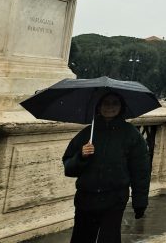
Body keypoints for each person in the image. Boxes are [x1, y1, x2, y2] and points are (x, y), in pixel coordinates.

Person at [62, 93, 150, 243]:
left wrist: (140, 202)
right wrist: (81, 157)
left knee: (109, 239)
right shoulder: (87, 133)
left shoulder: (131, 134)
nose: (110, 107)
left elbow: (140, 171)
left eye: (114, 103)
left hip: (114, 199)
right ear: (99, 107)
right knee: (81, 238)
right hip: (86, 198)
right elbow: (69, 169)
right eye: (105, 103)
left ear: (121, 107)